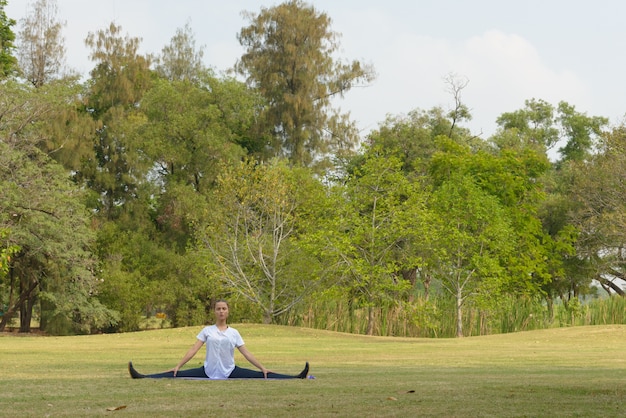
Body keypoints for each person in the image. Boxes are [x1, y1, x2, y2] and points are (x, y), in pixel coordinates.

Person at [128, 299, 309, 380]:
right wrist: (179, 365)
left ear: (228, 311)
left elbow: (246, 353)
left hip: (230, 370)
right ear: (214, 311)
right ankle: (142, 376)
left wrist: (262, 367)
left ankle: (297, 376)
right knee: (175, 374)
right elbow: (194, 349)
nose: (221, 311)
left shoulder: (234, 333)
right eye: (218, 309)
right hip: (207, 371)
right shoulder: (207, 330)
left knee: (264, 375)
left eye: (224, 308)